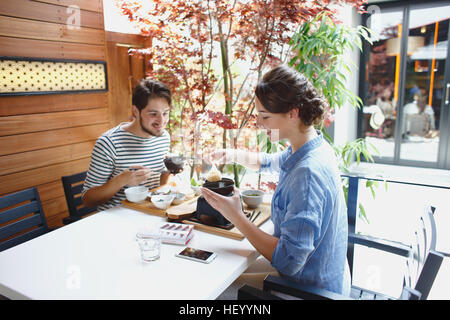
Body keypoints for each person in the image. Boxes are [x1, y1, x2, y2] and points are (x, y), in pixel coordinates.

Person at [202, 65, 350, 298]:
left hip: (309, 288)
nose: (260, 124)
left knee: (215, 290)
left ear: (292, 113)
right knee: (220, 267)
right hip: (323, 273)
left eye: (265, 117)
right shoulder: (311, 146)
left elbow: (289, 261)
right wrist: (231, 155)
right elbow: (272, 161)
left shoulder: (307, 174)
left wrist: (236, 217)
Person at [82, 79, 172, 210]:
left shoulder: (163, 137)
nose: (161, 121)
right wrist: (122, 180)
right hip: (117, 221)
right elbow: (88, 200)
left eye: (165, 113)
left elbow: (158, 188)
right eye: (153, 114)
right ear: (135, 111)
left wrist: (168, 172)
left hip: (151, 215)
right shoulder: (109, 143)